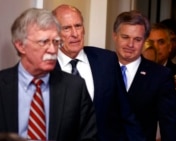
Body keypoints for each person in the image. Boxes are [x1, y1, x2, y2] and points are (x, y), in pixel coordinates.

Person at [0, 8, 97, 141]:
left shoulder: (75, 88)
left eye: (56, 42)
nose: (52, 49)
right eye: (44, 42)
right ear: (20, 45)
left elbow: (89, 138)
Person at [52, 4, 145, 141]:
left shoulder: (106, 60)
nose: (75, 34)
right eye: (66, 28)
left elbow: (126, 114)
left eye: (78, 26)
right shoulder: (45, 68)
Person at [112, 10, 176, 141]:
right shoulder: (100, 67)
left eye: (137, 39)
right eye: (125, 37)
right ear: (115, 36)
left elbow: (169, 127)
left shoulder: (160, 76)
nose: (130, 45)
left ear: (144, 41)